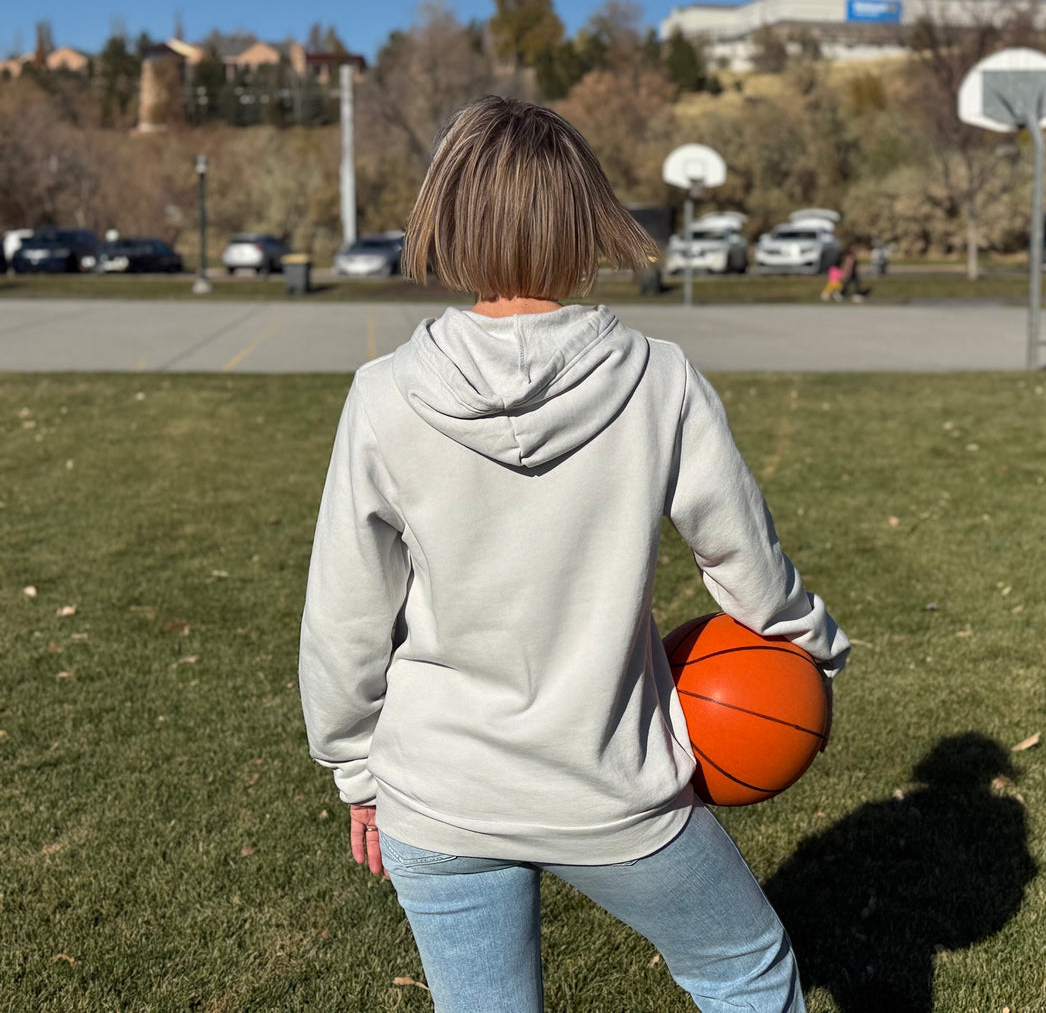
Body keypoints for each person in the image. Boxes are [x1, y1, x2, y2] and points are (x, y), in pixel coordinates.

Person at [298, 96, 849, 1012]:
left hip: (437, 788)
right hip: (611, 783)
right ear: (588, 218)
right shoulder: (657, 377)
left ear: (445, 216)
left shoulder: (384, 395)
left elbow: (345, 612)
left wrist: (357, 773)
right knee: (743, 968)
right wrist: (814, 644)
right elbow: (743, 564)